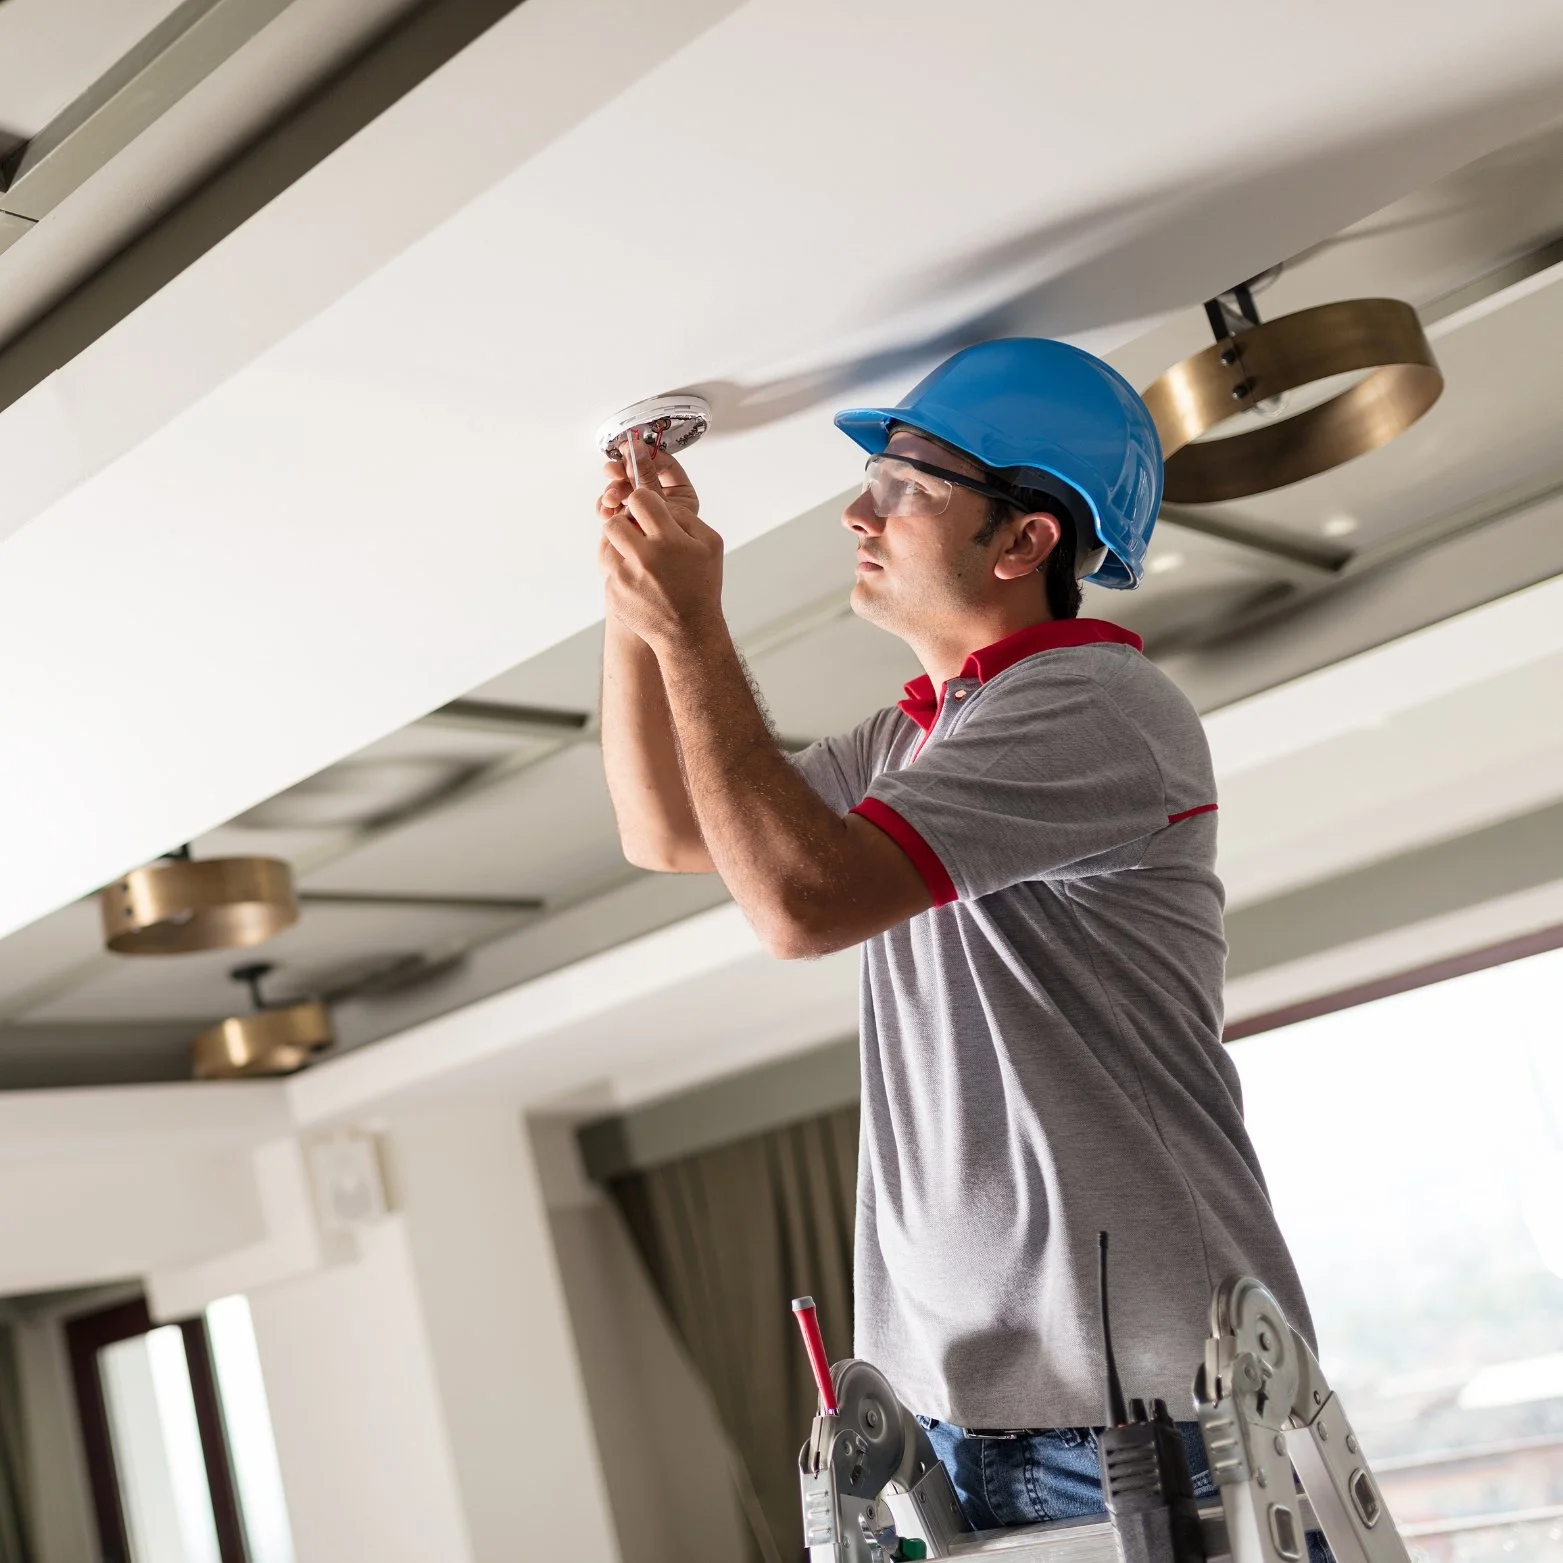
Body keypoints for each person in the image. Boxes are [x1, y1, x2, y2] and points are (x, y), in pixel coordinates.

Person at [595, 338, 1315, 1529]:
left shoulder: (1097, 706)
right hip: (959, 1435)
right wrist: (637, 607)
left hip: (1150, 1426)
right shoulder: (912, 741)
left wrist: (690, 629)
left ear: (1026, 539)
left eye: (905, 486)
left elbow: (802, 906)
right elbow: (668, 825)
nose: (856, 511)